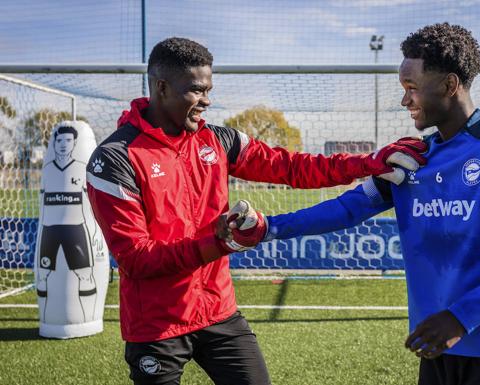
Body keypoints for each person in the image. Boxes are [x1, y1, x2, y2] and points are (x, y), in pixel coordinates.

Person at [225, 23, 480, 385]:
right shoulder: (414, 157)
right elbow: (348, 207)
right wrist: (270, 228)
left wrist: (461, 317)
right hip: (435, 341)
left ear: (450, 85)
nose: (405, 101)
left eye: (411, 89)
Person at [85, 37, 427, 385]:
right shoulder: (114, 158)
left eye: (208, 89)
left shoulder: (217, 140)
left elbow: (293, 167)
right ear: (162, 87)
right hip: (156, 326)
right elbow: (136, 258)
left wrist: (368, 163)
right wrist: (221, 243)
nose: (207, 100)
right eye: (196, 90)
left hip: (218, 312)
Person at [38, 124, 100, 322]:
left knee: (85, 275)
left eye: (67, 140)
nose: (63, 144)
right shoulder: (48, 170)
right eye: (59, 140)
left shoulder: (82, 168)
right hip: (49, 230)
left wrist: (96, 231)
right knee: (43, 275)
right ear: (54, 144)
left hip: (76, 230)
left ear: (74, 143)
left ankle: (87, 319)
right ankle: (47, 318)